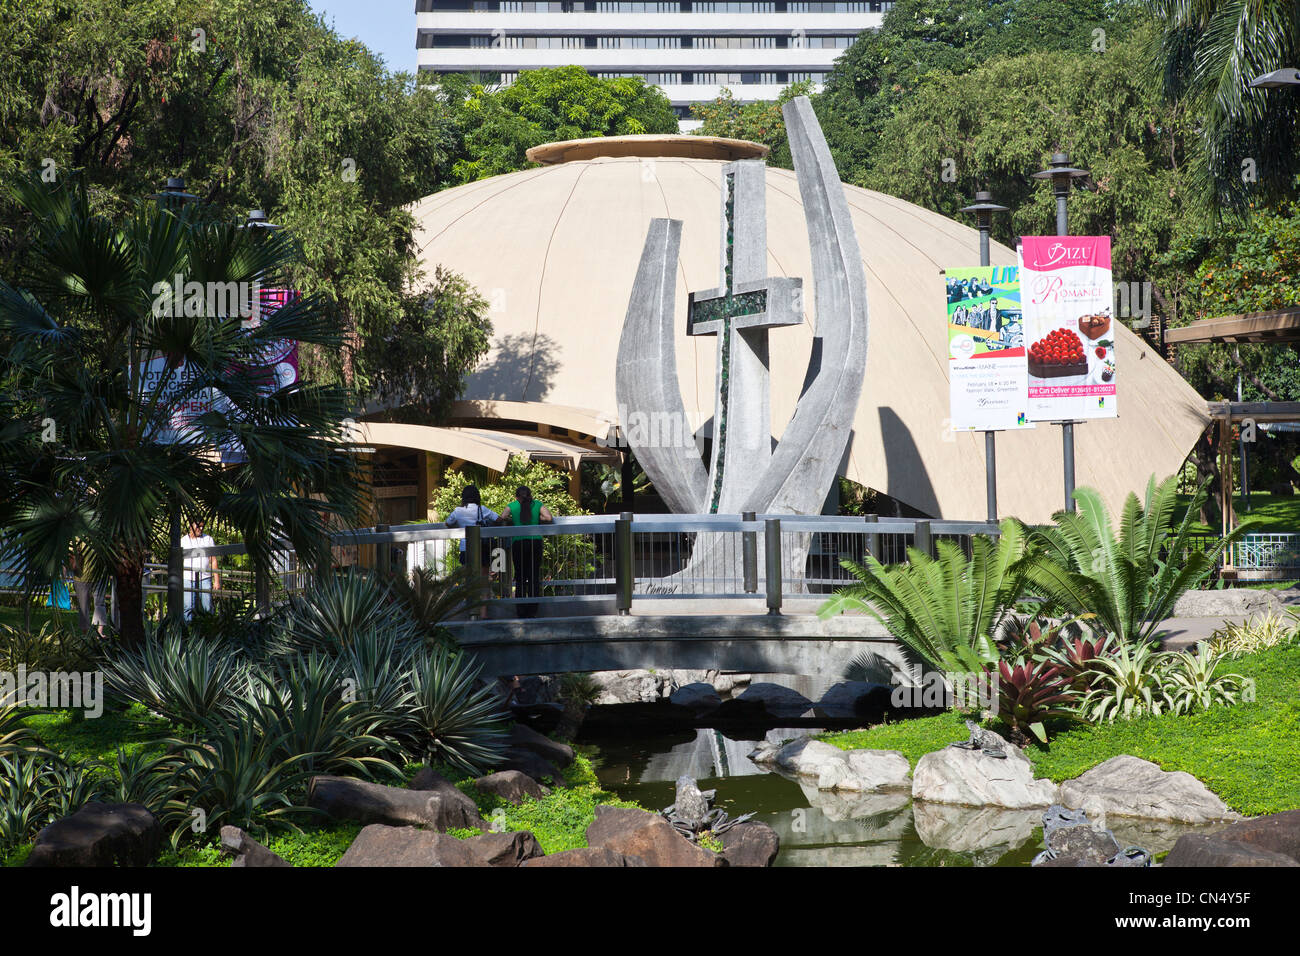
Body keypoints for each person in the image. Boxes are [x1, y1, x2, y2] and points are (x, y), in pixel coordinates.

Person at [443, 485, 500, 618]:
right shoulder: (482, 509)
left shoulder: (458, 511)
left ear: (464, 497)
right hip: (483, 548)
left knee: (469, 580)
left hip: (466, 548)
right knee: (484, 580)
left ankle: (470, 612)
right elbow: (498, 519)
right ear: (477, 496)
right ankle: (484, 613)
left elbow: (448, 523)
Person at [505, 485, 553, 618]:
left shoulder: (512, 505)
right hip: (535, 542)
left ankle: (521, 610)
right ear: (530, 495)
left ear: (516, 496)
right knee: (533, 576)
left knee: (520, 576)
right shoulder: (537, 504)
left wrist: (513, 520)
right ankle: (532, 610)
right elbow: (549, 518)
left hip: (518, 543)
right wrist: (537, 518)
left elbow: (502, 517)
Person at [179, 519, 220, 618]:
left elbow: (213, 560)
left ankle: (209, 629)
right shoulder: (183, 541)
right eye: (198, 526)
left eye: (202, 526)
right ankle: (189, 629)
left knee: (208, 607)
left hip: (205, 577)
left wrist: (216, 580)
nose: (200, 529)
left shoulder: (208, 539)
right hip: (187, 578)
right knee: (188, 607)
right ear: (191, 526)